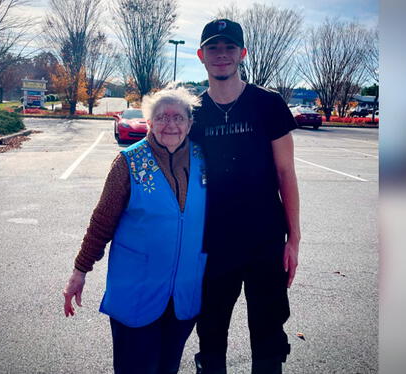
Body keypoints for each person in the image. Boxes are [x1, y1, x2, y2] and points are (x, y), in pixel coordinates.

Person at [62, 86, 207, 374]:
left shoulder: (204, 161)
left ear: (190, 124)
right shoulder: (128, 162)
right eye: (162, 117)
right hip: (137, 294)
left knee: (168, 368)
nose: (170, 124)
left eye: (178, 117)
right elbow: (102, 222)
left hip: (184, 295)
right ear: (150, 122)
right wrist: (80, 271)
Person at [189, 19, 301, 374]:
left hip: (264, 240)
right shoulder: (192, 113)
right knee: (210, 333)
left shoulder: (268, 104)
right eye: (213, 48)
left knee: (268, 335)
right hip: (211, 241)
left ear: (242, 53)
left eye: (229, 48)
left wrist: (293, 239)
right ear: (201, 55)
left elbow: (286, 172)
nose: (221, 55)